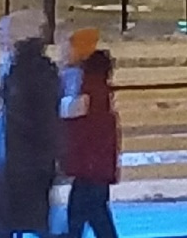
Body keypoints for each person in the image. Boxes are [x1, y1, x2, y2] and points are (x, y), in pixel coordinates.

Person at [0, 11, 61, 238]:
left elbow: (31, 120)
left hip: (23, 163)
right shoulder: (21, 69)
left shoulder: (28, 71)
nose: (1, 39)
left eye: (6, 34)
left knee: (22, 221)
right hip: (20, 161)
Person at [63, 49, 120, 238]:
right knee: (97, 216)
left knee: (79, 217)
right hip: (98, 167)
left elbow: (68, 114)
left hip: (87, 168)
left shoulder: (87, 91)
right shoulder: (103, 95)